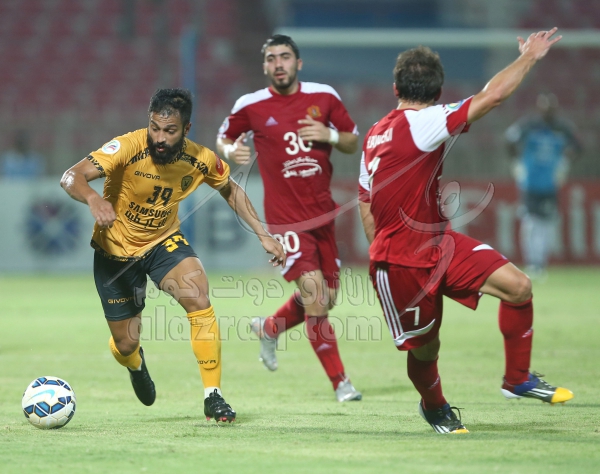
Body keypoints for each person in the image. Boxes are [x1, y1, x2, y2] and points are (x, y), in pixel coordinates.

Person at [358, 28, 573, 434]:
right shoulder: (425, 121)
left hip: (438, 244)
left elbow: (365, 201)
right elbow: (492, 97)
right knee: (427, 347)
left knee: (518, 287)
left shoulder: (374, 133)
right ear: (439, 92)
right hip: (401, 261)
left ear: (395, 88)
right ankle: (435, 407)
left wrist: (381, 244)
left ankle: (517, 379)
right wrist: (529, 55)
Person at [60, 89, 286, 423]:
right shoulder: (127, 146)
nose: (160, 138)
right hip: (115, 252)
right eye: (155, 128)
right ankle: (136, 364)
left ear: (186, 129)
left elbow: (229, 188)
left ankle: (213, 396)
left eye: (170, 131)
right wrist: (94, 199)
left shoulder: (200, 158)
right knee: (125, 344)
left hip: (162, 242)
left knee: (198, 296)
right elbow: (71, 176)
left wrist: (263, 233)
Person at [216, 34, 362, 402]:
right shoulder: (251, 104)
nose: (278, 63)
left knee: (326, 298)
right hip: (286, 221)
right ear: (264, 66)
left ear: (298, 63)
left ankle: (269, 327)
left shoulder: (324, 96)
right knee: (316, 296)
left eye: (284, 56)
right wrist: (231, 149)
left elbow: (352, 140)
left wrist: (329, 135)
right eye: (271, 58)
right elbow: (224, 138)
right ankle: (341, 383)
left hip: (323, 214)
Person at [505, 92, 582, 279]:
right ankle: (532, 261)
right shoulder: (529, 125)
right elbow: (509, 140)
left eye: (550, 108)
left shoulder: (562, 128)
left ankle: (540, 263)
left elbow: (578, 147)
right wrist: (517, 164)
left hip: (549, 183)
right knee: (530, 223)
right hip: (530, 182)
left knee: (546, 223)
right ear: (539, 108)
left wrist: (564, 164)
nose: (547, 111)